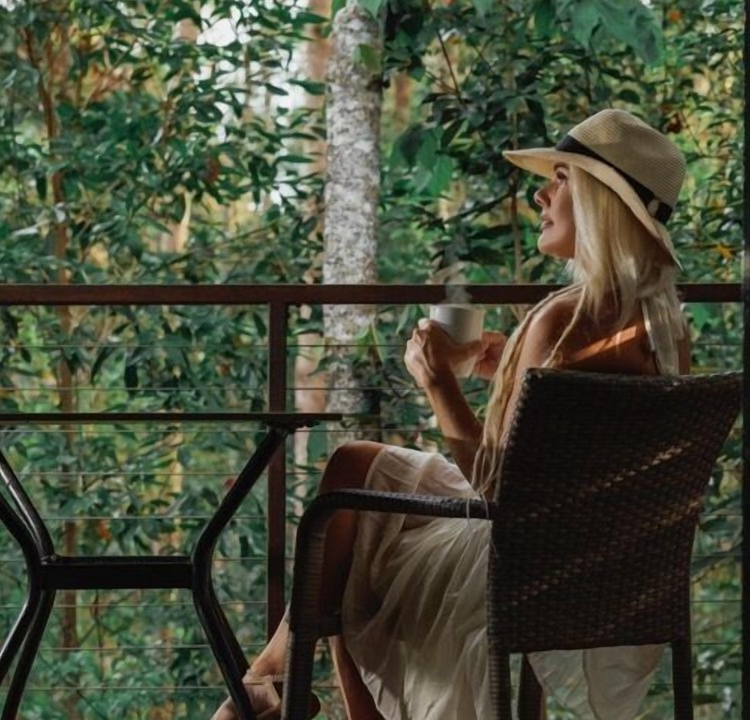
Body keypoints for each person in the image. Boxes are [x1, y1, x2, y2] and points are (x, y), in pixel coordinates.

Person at [211, 109, 693, 719]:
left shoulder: (560, 318)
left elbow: (498, 488)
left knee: (351, 525)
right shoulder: (665, 325)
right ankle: (271, 680)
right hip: (608, 566)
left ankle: (270, 684)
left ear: (602, 200)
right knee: (359, 469)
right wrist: (507, 371)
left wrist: (440, 383)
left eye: (562, 176)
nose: (540, 194)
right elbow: (576, 447)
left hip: (521, 566)